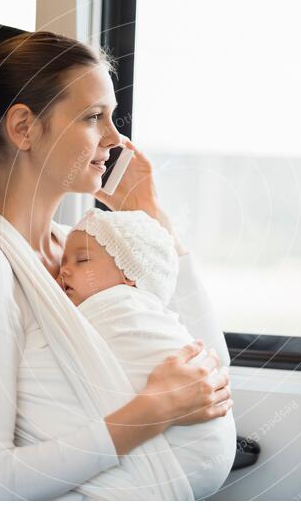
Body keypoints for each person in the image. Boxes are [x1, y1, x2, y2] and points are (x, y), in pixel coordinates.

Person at [0, 31, 233, 501]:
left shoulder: (79, 245)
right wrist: (154, 410)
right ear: (24, 128)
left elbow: (208, 370)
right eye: (95, 117)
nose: (117, 139)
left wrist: (150, 212)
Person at [59, 207, 237, 499]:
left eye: (82, 260)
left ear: (130, 275)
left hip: (184, 454)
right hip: (204, 457)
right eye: (63, 263)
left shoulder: (121, 308)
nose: (64, 270)